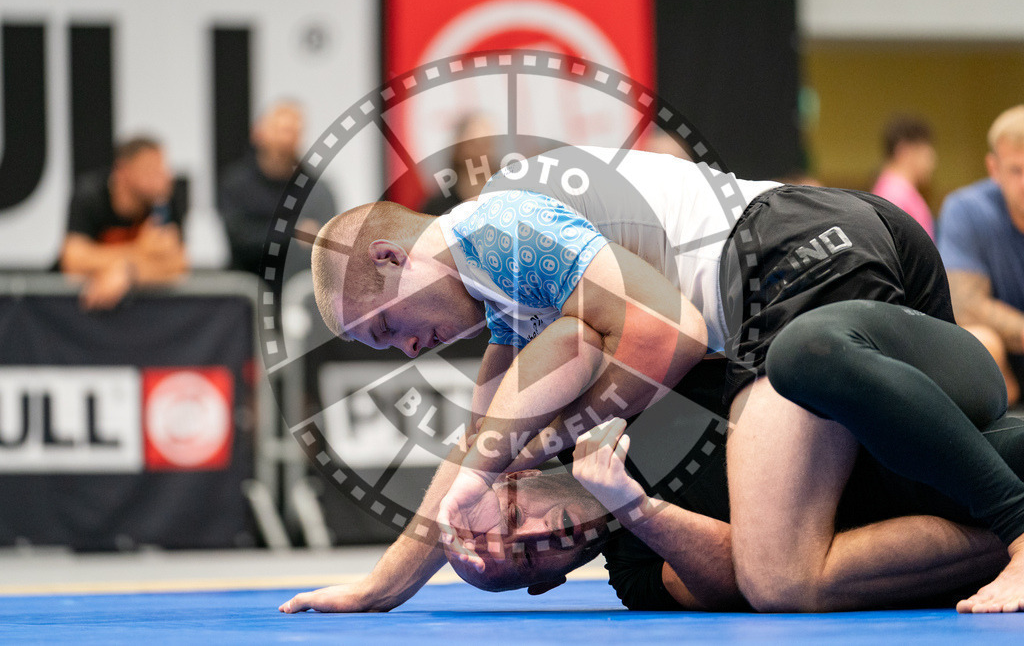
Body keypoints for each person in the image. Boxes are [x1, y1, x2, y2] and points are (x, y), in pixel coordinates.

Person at [286, 146, 1024, 614]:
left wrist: (547, 437)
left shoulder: (492, 231)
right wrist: (387, 583)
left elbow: (672, 333)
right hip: (851, 246)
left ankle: (1016, 528)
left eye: (386, 328)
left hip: (792, 257)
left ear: (391, 259)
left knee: (780, 575)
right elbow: (477, 448)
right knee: (940, 462)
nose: (408, 348)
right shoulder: (507, 295)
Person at [938, 105, 1024, 407]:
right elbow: (966, 306)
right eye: (1016, 170)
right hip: (1003, 368)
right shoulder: (966, 209)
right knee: (982, 340)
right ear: (994, 169)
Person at [60, 136, 189, 310]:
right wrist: (141, 251)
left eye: (163, 169)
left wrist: (128, 273)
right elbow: (73, 261)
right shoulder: (90, 195)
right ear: (123, 171)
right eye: (151, 170)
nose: (163, 178)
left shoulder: (163, 201)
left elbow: (177, 264)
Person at [219, 100, 337, 278]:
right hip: (247, 289)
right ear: (258, 133)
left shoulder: (317, 190)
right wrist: (293, 232)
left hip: (299, 290)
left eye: (293, 132)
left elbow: (326, 245)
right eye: (280, 130)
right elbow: (240, 240)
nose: (286, 139)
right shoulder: (236, 184)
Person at [871, 115, 937, 239]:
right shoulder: (893, 196)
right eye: (926, 151)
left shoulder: (898, 192)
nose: (932, 161)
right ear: (904, 150)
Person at [421, 113, 498, 216]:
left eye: (486, 144)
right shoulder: (438, 206)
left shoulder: (503, 199)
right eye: (473, 145)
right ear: (459, 148)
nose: (480, 153)